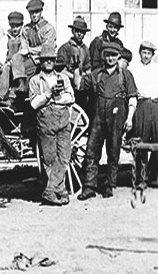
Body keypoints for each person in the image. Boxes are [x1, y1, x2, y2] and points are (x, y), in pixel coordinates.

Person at [78, 42, 138, 200]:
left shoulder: (125, 75)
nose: (110, 58)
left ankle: (109, 185)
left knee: (113, 151)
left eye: (114, 55)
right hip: (98, 117)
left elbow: (132, 97)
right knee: (92, 151)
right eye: (107, 55)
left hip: (117, 117)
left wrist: (130, 118)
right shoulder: (96, 74)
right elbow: (79, 86)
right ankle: (90, 186)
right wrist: (77, 69)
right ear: (103, 56)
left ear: (118, 56)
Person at [28, 44, 75, 206]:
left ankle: (50, 190)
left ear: (55, 61)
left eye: (51, 60)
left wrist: (56, 98)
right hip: (45, 122)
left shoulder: (63, 78)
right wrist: (48, 93)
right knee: (50, 159)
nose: (48, 62)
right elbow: (34, 104)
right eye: (45, 60)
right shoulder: (35, 81)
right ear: (41, 62)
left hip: (63, 120)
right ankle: (60, 190)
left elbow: (71, 97)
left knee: (64, 157)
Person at [128, 40, 158, 190]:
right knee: (141, 143)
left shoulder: (157, 69)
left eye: (149, 53)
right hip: (142, 105)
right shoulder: (133, 69)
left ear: (152, 54)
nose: (146, 55)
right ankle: (141, 179)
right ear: (140, 53)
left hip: (157, 105)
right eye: (144, 52)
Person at [11, 0, 57, 89]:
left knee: (26, 67)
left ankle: (20, 92)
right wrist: (25, 51)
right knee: (14, 60)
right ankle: (19, 86)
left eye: (37, 12)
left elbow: (46, 48)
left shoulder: (48, 28)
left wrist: (29, 50)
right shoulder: (27, 28)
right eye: (31, 13)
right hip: (30, 58)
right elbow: (23, 46)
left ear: (41, 12)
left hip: (44, 59)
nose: (34, 15)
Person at [58, 16, 90, 109]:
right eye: (77, 31)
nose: (79, 34)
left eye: (82, 32)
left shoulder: (85, 49)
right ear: (72, 31)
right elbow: (60, 70)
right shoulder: (65, 48)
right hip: (68, 85)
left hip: (81, 87)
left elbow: (88, 69)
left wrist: (83, 77)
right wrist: (74, 76)